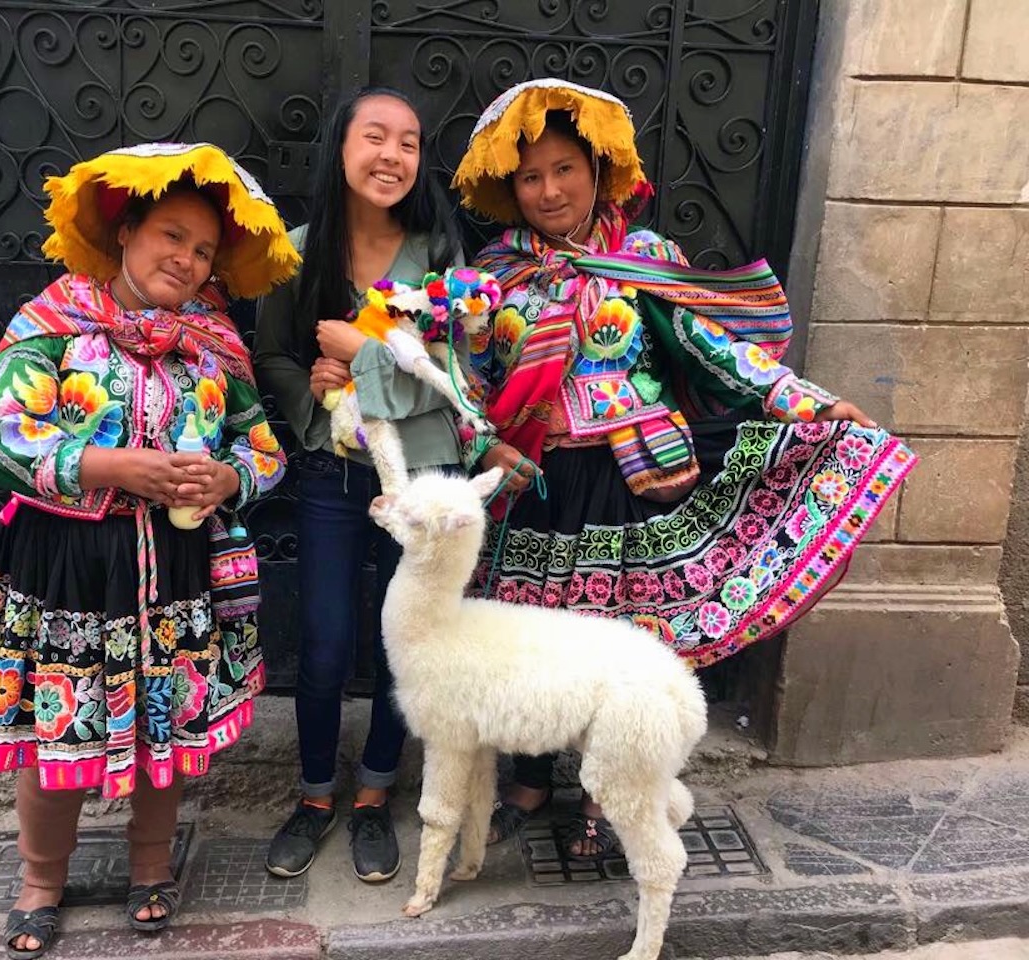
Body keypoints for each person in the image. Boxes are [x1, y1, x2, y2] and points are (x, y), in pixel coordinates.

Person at [450, 79, 917, 858]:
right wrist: (477, 446)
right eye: (530, 177)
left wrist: (807, 403)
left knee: (625, 649)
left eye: (564, 168)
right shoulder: (494, 278)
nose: (549, 190)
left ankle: (608, 796)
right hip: (536, 482)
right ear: (510, 188)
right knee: (532, 649)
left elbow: (715, 349)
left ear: (598, 170)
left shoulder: (645, 261)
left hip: (635, 482)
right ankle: (529, 783)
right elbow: (466, 381)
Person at [0, 142, 298, 959]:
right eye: (170, 237)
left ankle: (152, 866)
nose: (185, 260)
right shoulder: (54, 324)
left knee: (165, 728)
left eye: (203, 250)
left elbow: (264, 448)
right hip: (68, 569)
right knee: (56, 731)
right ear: (124, 231)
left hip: (176, 573)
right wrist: (111, 467)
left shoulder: (215, 343)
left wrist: (228, 478)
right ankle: (41, 878)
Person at [253, 85, 464, 883]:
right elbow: (268, 354)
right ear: (340, 149)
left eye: (409, 142)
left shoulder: (439, 255)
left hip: (417, 479)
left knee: (399, 641)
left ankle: (375, 796)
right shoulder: (295, 251)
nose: (392, 156)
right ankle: (314, 796)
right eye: (375, 137)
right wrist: (318, 393)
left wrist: (365, 359)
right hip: (329, 479)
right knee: (327, 640)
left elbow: (454, 371)